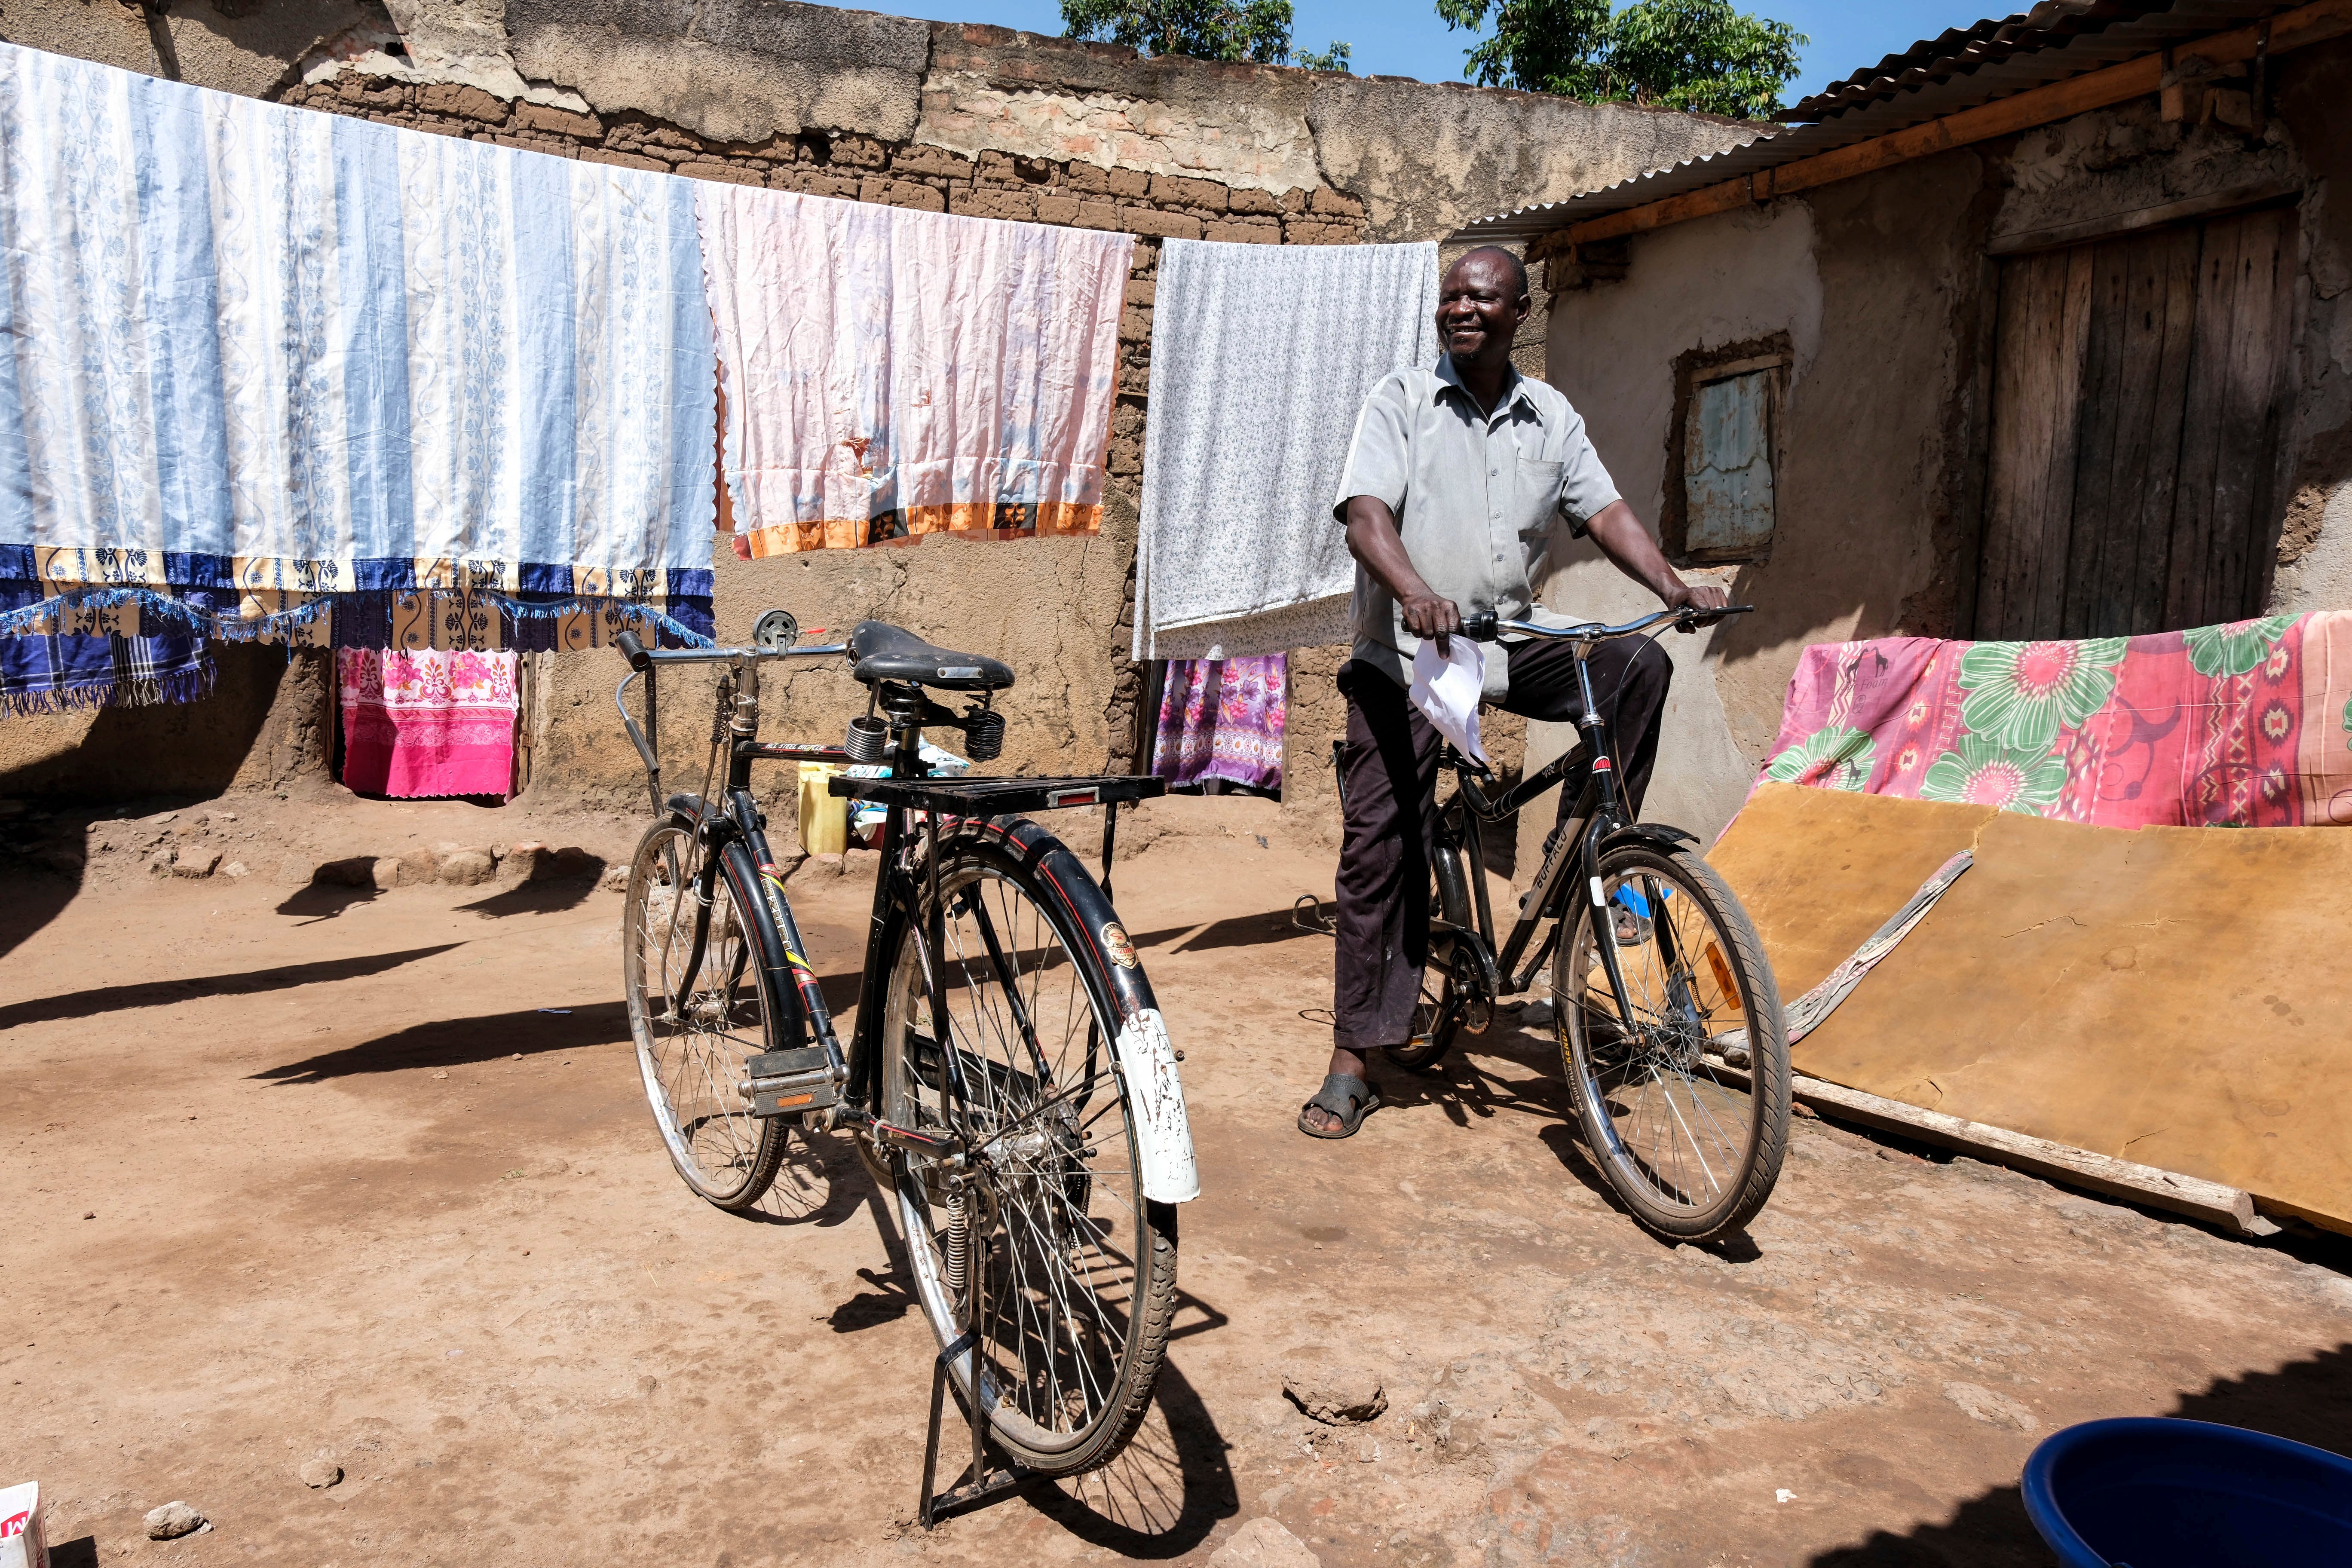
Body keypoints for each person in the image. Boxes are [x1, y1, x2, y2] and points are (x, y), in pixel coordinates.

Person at [1299, 245, 1729, 1139]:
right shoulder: (1403, 401)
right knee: (1382, 844)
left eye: (1481, 297)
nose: (1461, 309)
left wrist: (1673, 585)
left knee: (1635, 666)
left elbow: (1604, 511)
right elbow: (1364, 515)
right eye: (1450, 296)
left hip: (1507, 641)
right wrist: (1414, 590)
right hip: (1410, 654)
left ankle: (1579, 860)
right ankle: (1355, 1055)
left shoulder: (1550, 415)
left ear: (1519, 313)